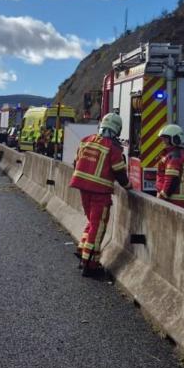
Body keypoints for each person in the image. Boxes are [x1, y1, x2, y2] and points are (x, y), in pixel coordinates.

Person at [68, 113, 129, 276]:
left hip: (82, 187)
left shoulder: (86, 140)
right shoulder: (113, 148)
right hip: (100, 192)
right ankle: (90, 264)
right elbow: (119, 173)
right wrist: (128, 186)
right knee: (99, 225)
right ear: (117, 129)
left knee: (92, 222)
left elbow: (76, 162)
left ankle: (83, 250)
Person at [155, 124, 184, 208]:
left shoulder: (174, 157)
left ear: (175, 139)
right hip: (177, 200)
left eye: (166, 139)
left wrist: (162, 197)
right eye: (163, 139)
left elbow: (171, 180)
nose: (163, 141)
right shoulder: (178, 154)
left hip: (173, 201)